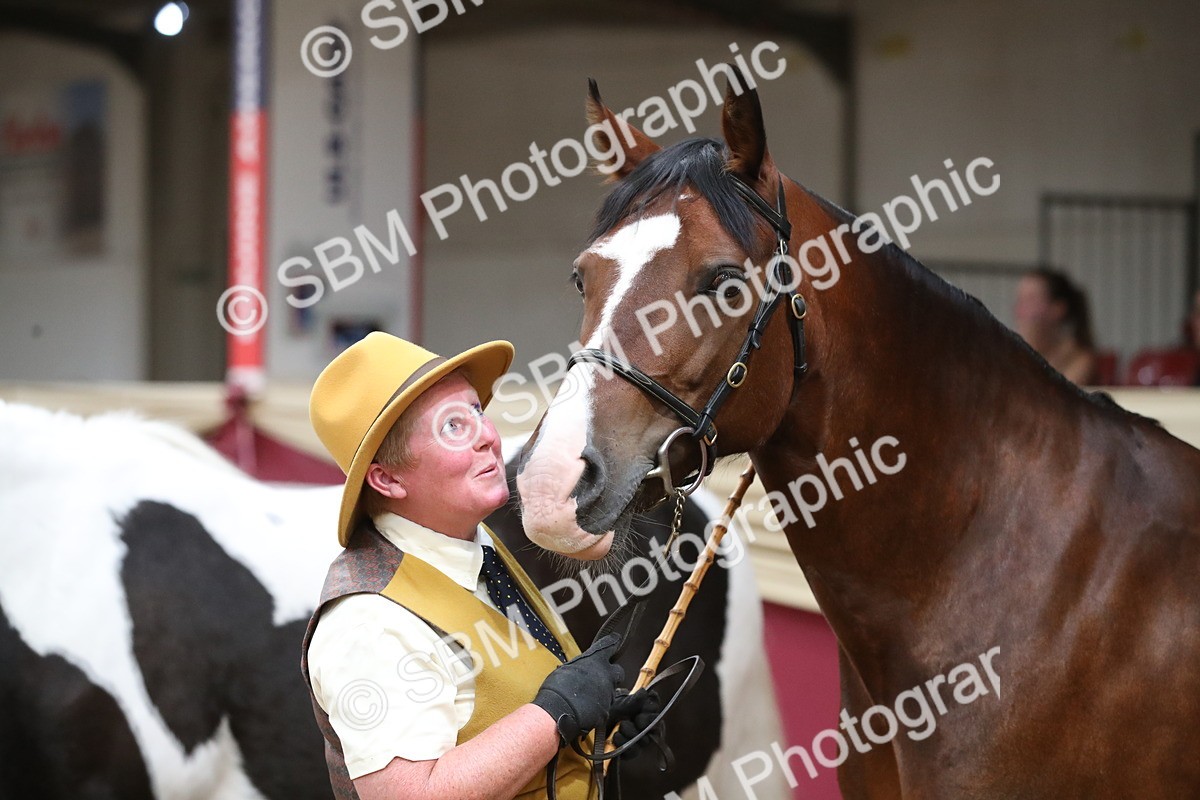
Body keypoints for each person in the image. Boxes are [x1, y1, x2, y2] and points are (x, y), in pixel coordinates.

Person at [302, 332, 651, 800]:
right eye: (452, 427)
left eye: (477, 412)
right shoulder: (367, 622)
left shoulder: (475, 544)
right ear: (387, 479)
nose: (487, 437)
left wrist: (594, 733)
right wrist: (554, 714)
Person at [1013, 267, 1098, 385]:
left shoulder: (1080, 361)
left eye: (1031, 300)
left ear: (1058, 309)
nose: (1020, 311)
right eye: (1020, 300)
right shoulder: (1015, 356)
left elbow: (1052, 400)